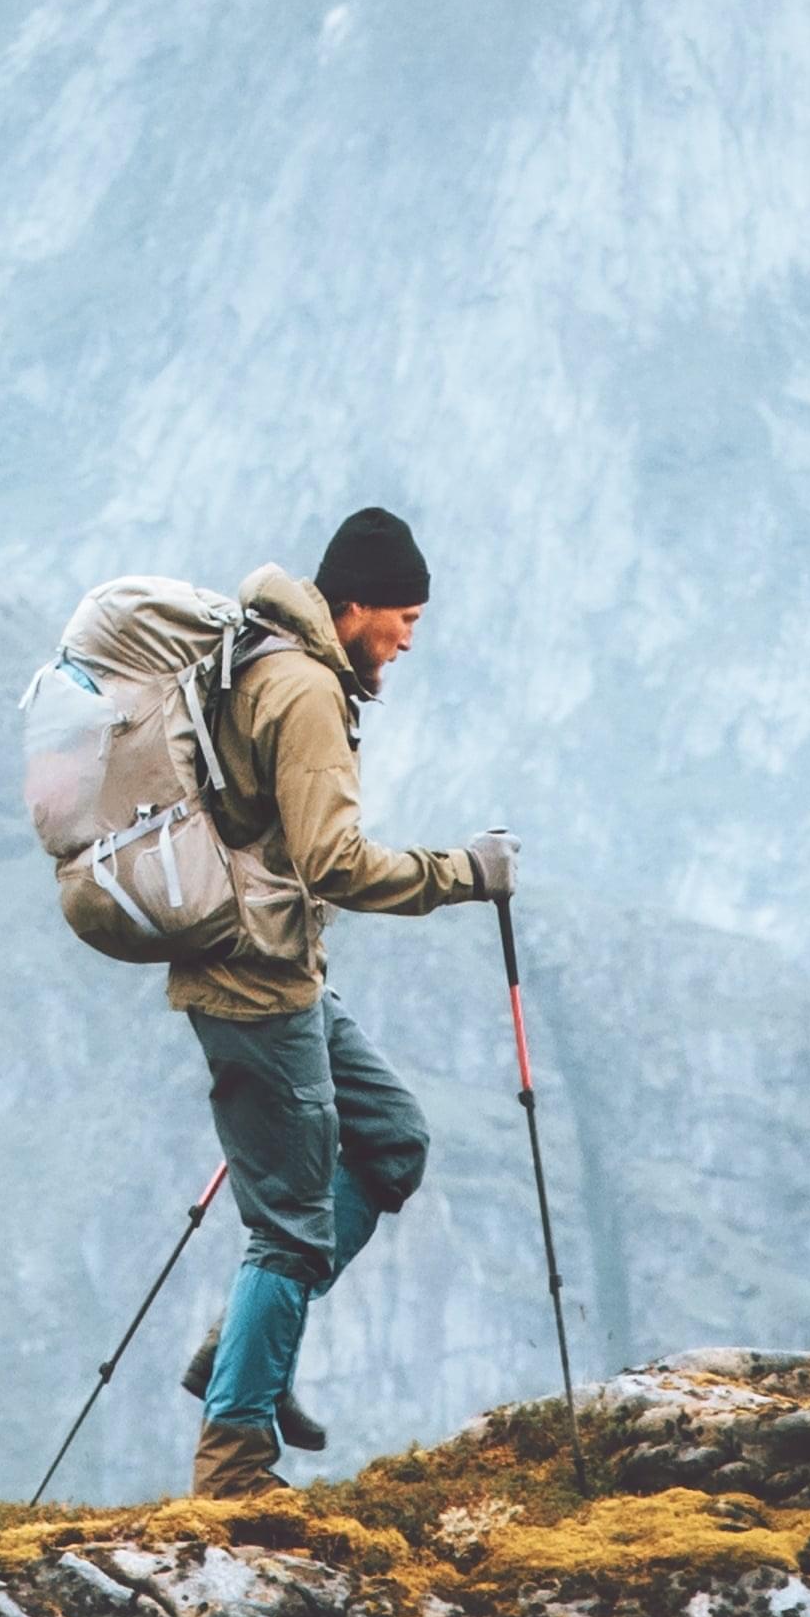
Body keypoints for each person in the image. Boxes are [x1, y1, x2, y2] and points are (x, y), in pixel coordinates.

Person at [170, 503, 511, 1495]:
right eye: (400, 613)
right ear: (352, 603)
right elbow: (333, 859)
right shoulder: (304, 687)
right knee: (289, 1226)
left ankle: (240, 1344)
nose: (408, 633)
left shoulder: (270, 658)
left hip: (282, 975)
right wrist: (464, 872)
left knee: (391, 1139)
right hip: (255, 987)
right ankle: (232, 1456)